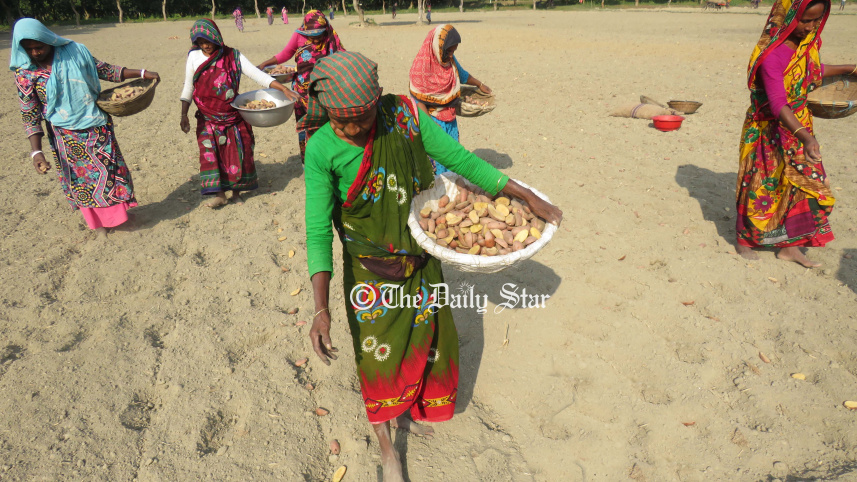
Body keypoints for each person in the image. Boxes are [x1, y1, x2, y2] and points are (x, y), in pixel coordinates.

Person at [302, 51, 562, 482]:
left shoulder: (402, 115)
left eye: (365, 117)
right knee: (377, 358)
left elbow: (460, 160)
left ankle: (413, 407)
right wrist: (320, 307)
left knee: (425, 337)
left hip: (420, 258)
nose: (358, 128)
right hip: (369, 270)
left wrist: (522, 194)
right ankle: (387, 448)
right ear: (329, 113)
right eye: (346, 122)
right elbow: (317, 232)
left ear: (378, 99)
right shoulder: (321, 149)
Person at [11, 18, 159, 238]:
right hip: (65, 136)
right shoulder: (25, 74)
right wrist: (36, 151)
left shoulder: (74, 51)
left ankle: (120, 219)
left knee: (109, 175)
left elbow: (105, 70)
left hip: (96, 126)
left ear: (48, 39)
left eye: (39, 46)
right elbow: (30, 113)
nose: (35, 52)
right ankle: (98, 225)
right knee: (82, 181)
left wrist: (142, 73)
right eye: (28, 49)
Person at [736, 0, 856, 267]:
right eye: (806, 20)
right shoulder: (771, 55)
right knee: (759, 185)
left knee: (803, 187)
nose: (811, 27)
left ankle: (790, 247)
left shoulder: (805, 47)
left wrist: (848, 68)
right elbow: (778, 102)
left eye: (817, 20)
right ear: (787, 17)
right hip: (768, 131)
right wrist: (806, 137)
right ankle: (745, 240)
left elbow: (810, 73)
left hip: (798, 125)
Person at [179, 19, 298, 208]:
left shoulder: (232, 56)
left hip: (232, 114)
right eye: (201, 42)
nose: (206, 45)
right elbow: (188, 86)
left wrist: (283, 90)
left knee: (237, 153)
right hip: (208, 117)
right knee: (211, 154)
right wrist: (183, 114)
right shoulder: (193, 58)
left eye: (208, 41)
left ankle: (235, 192)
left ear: (216, 37)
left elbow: (257, 75)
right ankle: (220, 194)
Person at [257, 10, 344, 162]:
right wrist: (265, 63)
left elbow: (341, 59)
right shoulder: (299, 36)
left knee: (327, 127)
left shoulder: (331, 37)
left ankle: (329, 161)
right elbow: (285, 54)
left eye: (318, 35)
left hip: (325, 92)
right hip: (301, 93)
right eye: (311, 35)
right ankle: (309, 161)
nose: (314, 38)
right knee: (305, 127)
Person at [409, 25, 491, 175]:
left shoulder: (448, 59)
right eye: (449, 51)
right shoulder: (420, 68)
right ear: (438, 46)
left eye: (454, 51)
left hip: (450, 120)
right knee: (438, 162)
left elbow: (462, 74)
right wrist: (432, 128)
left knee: (453, 158)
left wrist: (480, 84)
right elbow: (417, 99)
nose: (451, 55)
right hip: (433, 121)